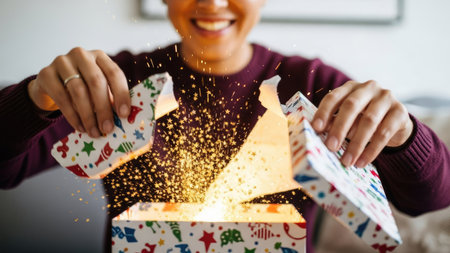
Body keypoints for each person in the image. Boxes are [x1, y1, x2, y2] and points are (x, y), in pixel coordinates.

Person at [1, 0, 449, 252]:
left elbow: (429, 199)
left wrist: (403, 135)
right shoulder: (117, 83)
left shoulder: (314, 86)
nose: (212, 2)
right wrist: (33, 98)